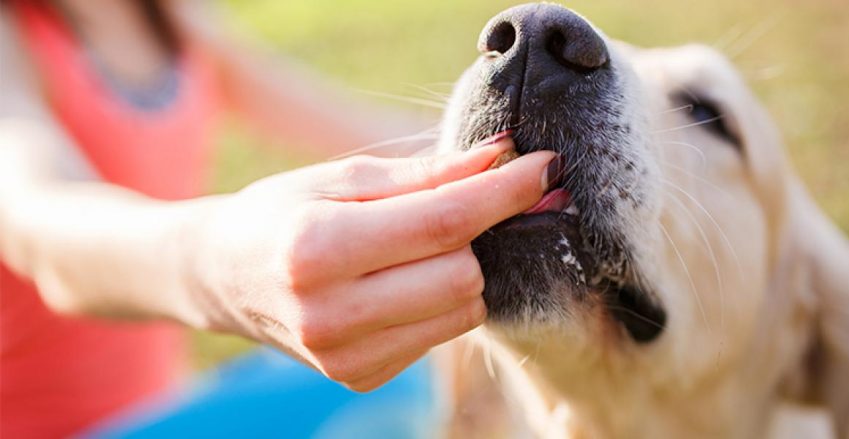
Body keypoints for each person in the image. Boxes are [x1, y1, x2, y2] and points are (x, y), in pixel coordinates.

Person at [0, 0, 558, 437]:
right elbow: (44, 231)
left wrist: (512, 139)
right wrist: (215, 269)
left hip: (166, 408)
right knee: (412, 384)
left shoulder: (171, 20)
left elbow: (355, 127)